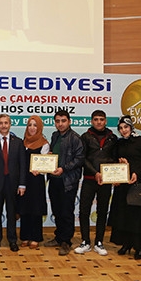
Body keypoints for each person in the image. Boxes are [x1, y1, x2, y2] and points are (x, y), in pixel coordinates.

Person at [109, 115, 141, 260]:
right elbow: (113, 161)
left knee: (137, 217)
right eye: (121, 128)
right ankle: (126, 243)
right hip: (122, 185)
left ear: (131, 127)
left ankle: (139, 247)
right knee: (123, 215)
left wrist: (136, 172)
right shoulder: (118, 143)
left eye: (126, 127)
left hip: (137, 185)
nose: (123, 130)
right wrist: (118, 168)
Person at [75, 110, 118, 256]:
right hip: (89, 179)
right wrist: (95, 173)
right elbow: (83, 158)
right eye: (96, 119)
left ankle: (99, 242)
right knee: (84, 211)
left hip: (105, 181)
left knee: (102, 211)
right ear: (91, 121)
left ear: (105, 121)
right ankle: (85, 241)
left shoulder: (113, 138)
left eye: (101, 119)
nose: (99, 122)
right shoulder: (85, 137)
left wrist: (113, 172)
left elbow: (115, 158)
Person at [0, 114, 26, 252]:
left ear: (10, 124)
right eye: (1, 123)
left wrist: (22, 184)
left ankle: (12, 240)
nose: (3, 125)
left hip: (13, 184)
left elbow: (23, 165)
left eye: (6, 123)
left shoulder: (18, 142)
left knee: (12, 213)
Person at [44, 110, 84, 256]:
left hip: (68, 181)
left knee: (66, 212)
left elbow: (79, 159)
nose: (60, 124)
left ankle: (66, 241)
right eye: (57, 121)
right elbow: (55, 154)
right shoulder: (55, 136)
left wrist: (63, 168)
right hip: (54, 180)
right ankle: (59, 237)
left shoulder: (75, 138)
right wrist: (49, 156)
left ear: (69, 121)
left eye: (63, 121)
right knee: (57, 210)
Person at [18, 115, 49, 249]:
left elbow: (46, 164)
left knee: (35, 208)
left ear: (39, 127)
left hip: (36, 181)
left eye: (35, 125)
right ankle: (25, 236)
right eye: (30, 125)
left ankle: (36, 237)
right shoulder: (22, 143)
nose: (32, 128)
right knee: (24, 208)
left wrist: (40, 170)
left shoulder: (44, 144)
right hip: (23, 180)